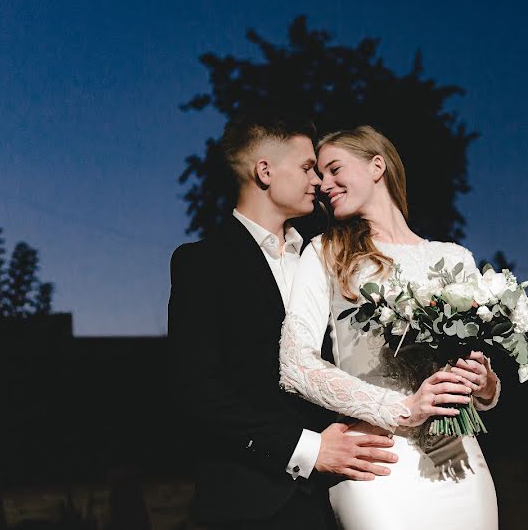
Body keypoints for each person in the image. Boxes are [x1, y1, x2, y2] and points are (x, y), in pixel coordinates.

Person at [167, 117, 398, 529]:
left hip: (344, 495)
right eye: (308, 167)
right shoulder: (202, 263)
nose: (318, 181)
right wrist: (307, 449)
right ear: (265, 171)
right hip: (253, 501)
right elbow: (197, 390)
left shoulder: (325, 256)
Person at [279, 125, 500, 529]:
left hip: (460, 462)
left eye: (333, 169)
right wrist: (402, 409)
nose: (323, 185)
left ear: (376, 166)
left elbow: (478, 379)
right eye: (318, 174)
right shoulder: (326, 252)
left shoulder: (455, 258)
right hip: (378, 461)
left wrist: (484, 382)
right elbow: (295, 365)